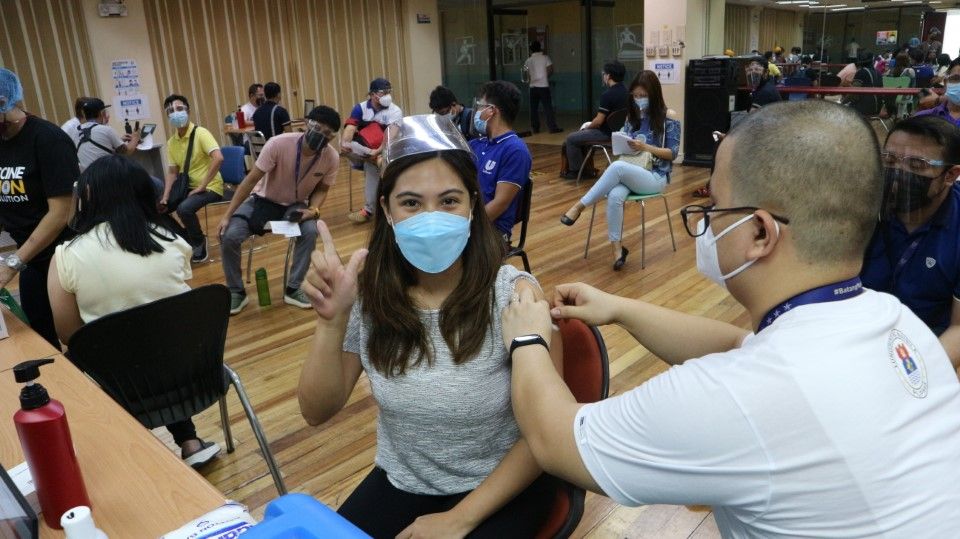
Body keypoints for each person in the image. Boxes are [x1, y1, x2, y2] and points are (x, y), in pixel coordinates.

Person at [500, 100, 960, 536]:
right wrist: (620, 308)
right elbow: (740, 346)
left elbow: (554, 439)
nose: (706, 221)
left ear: (759, 231)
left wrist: (527, 340)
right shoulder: (895, 321)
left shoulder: (740, 396)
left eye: (714, 207)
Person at [297, 115, 561, 538]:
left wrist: (460, 519)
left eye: (450, 201)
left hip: (502, 486)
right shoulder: (368, 295)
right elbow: (316, 410)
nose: (431, 217)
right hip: (403, 481)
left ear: (473, 205)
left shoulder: (514, 296)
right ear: (386, 209)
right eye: (412, 203)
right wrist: (331, 324)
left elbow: (547, 433)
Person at [47, 155, 221, 469]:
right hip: (192, 377)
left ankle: (134, 453)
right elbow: (174, 306)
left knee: (101, 354)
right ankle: (189, 440)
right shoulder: (173, 241)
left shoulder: (66, 257)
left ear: (87, 197)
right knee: (159, 339)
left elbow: (68, 333)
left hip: (121, 389)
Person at [216, 106, 341, 315]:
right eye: (317, 128)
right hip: (262, 200)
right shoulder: (278, 144)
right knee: (229, 235)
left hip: (295, 205)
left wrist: (314, 209)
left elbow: (322, 188)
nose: (321, 135)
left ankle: (294, 287)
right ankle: (236, 291)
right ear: (306, 125)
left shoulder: (331, 157)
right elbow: (251, 180)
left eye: (328, 134)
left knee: (310, 230)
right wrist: (227, 215)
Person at [861, 116, 960, 371]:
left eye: (917, 165)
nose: (898, 173)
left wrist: (914, 373)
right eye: (890, 160)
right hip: (858, 330)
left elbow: (959, 329)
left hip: (927, 343)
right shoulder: (862, 205)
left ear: (950, 174)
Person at [559, 71, 680, 271]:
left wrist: (645, 147)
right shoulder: (632, 117)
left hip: (655, 176)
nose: (639, 100)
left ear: (654, 94)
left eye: (643, 96)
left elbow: (672, 153)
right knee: (615, 195)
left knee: (616, 167)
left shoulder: (668, 117)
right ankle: (617, 249)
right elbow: (621, 145)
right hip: (632, 170)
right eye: (636, 96)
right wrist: (624, 142)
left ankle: (579, 206)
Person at [0, 68, 76, 349]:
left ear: (3, 102)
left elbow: (61, 211)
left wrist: (13, 263)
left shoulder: (48, 139)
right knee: (40, 334)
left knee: (75, 336)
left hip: (62, 256)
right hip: (30, 256)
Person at [160, 93, 224, 263]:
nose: (176, 113)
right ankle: (187, 238)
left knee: (184, 209)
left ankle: (198, 242)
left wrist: (202, 186)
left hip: (210, 186)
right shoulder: (172, 142)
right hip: (187, 186)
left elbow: (218, 158)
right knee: (159, 210)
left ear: (188, 111)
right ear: (167, 116)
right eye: (171, 110)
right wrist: (165, 197)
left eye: (180, 109)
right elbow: (173, 172)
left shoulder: (201, 133)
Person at [469, 81, 532, 243]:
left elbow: (500, 203)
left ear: (491, 111)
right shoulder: (475, 144)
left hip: (491, 232)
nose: (477, 111)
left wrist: (466, 228)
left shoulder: (515, 150)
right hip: (466, 221)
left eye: (480, 106)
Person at [342, 77, 403, 223]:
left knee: (372, 166)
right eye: (383, 92)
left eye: (389, 92)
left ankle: (368, 210)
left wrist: (378, 152)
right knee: (347, 145)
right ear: (372, 94)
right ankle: (375, 160)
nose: (387, 95)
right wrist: (345, 141)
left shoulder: (395, 111)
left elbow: (390, 136)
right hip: (367, 151)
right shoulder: (360, 108)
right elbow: (350, 127)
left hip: (389, 149)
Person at [561, 61, 628, 179]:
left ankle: (576, 171)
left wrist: (587, 127)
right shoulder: (628, 92)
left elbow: (598, 121)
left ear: (608, 76)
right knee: (581, 135)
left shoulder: (608, 95)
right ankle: (587, 167)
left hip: (606, 134)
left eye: (604, 74)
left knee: (571, 138)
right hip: (622, 133)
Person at [67, 98, 140, 172]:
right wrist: (135, 137)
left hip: (87, 179)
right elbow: (127, 152)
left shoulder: (77, 132)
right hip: (106, 176)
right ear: (101, 113)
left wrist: (119, 140)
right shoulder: (106, 129)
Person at [524, 41, 562, 134]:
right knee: (547, 107)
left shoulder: (528, 60)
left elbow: (526, 74)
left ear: (531, 49)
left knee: (533, 109)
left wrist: (532, 79)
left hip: (533, 86)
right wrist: (545, 76)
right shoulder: (545, 58)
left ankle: (535, 128)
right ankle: (552, 127)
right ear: (540, 48)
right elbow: (551, 69)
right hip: (543, 86)